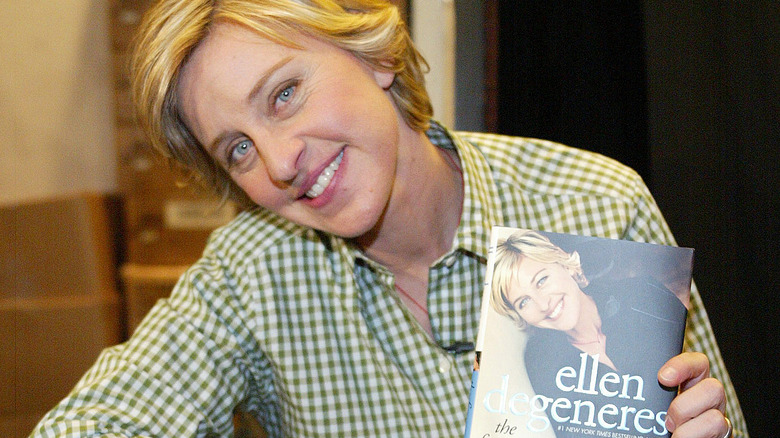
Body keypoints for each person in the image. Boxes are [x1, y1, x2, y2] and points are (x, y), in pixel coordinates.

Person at [31, 0, 745, 437]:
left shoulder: (591, 204)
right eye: (238, 148)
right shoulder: (250, 273)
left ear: (371, 54)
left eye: (284, 94)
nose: (280, 162)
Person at [490, 229, 691, 436]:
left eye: (541, 280)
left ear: (563, 264)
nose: (542, 304)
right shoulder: (540, 362)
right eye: (523, 302)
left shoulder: (644, 294)